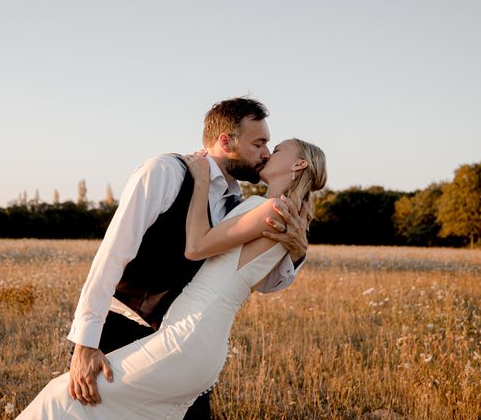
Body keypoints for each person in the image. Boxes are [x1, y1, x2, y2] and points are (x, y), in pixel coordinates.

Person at [19, 98, 309, 419]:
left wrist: (297, 252)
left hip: (180, 340)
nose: (266, 153)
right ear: (226, 141)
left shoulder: (238, 205)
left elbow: (263, 282)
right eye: (258, 143)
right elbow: (112, 256)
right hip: (120, 331)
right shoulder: (165, 172)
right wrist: (85, 344)